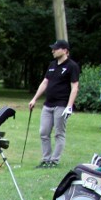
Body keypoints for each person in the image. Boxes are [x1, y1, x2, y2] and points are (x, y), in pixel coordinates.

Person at [28, 39, 80, 168]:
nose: (53, 51)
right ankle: (46, 159)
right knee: (44, 132)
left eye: (56, 49)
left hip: (61, 104)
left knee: (59, 133)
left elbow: (74, 87)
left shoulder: (72, 66)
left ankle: (54, 160)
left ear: (65, 50)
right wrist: (34, 98)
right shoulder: (52, 65)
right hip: (48, 104)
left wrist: (69, 106)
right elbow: (45, 82)